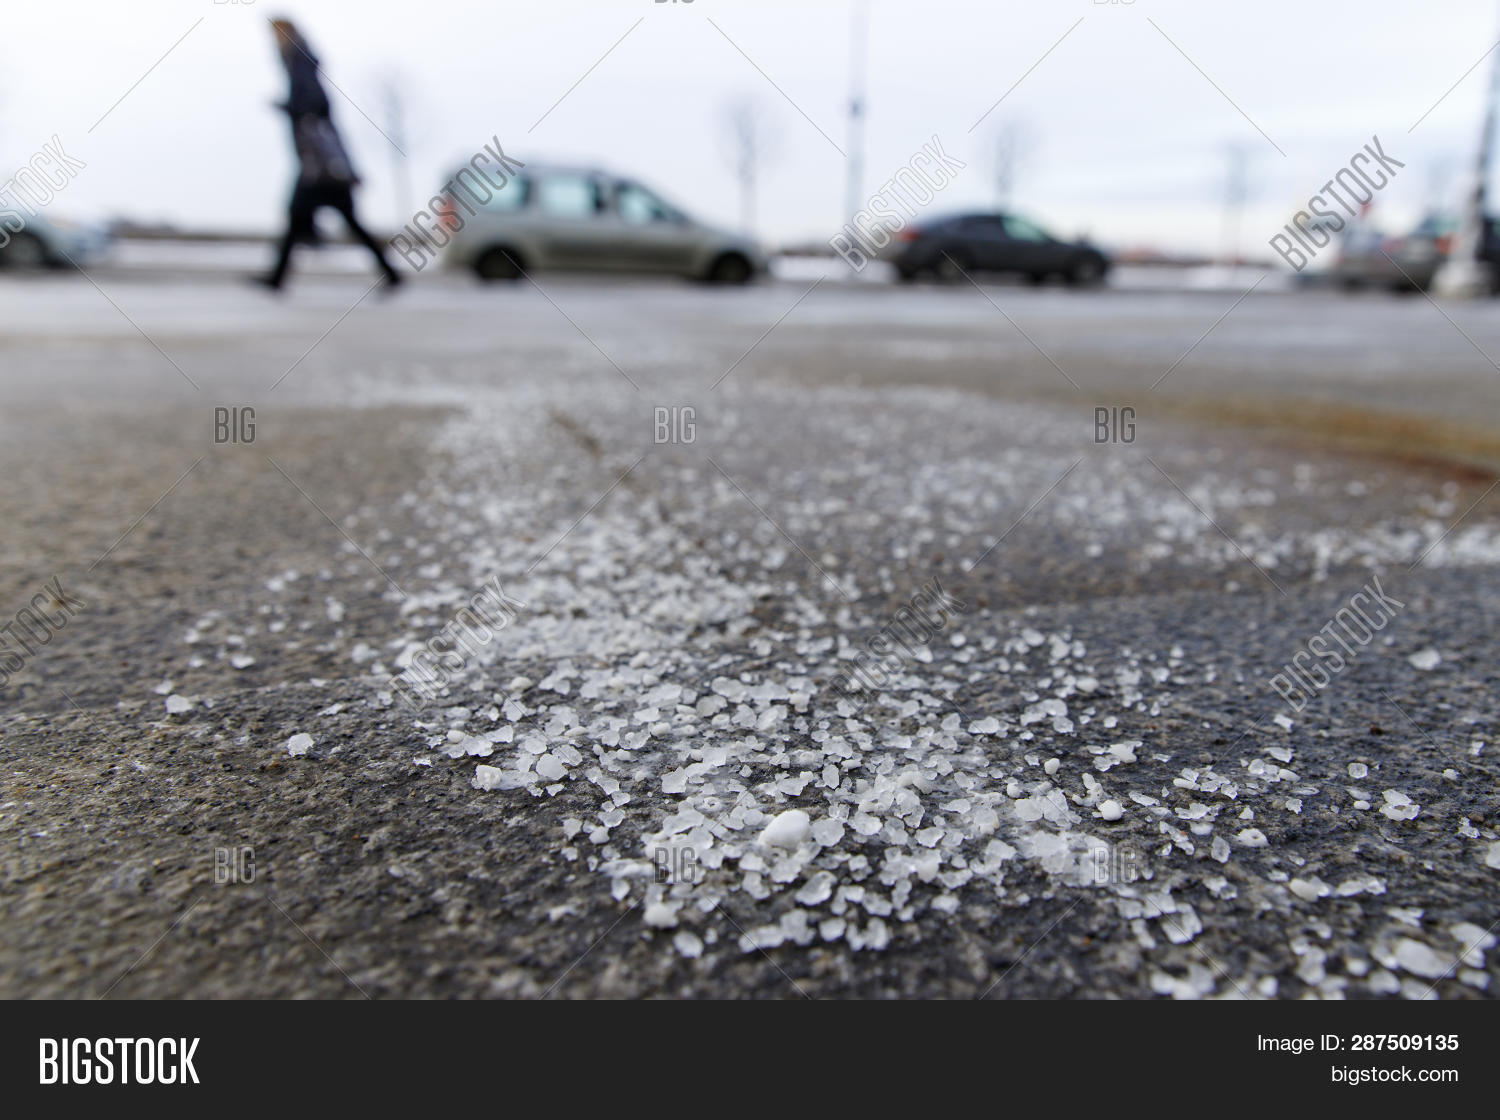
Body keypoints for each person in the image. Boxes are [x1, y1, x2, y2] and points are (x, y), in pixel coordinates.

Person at [254, 19, 400, 291]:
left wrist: (290, 107)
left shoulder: (300, 61)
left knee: (304, 215)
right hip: (321, 164)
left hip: (319, 165)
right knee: (309, 218)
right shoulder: (298, 62)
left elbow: (315, 107)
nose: (273, 40)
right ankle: (390, 274)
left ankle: (390, 273)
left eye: (276, 34)